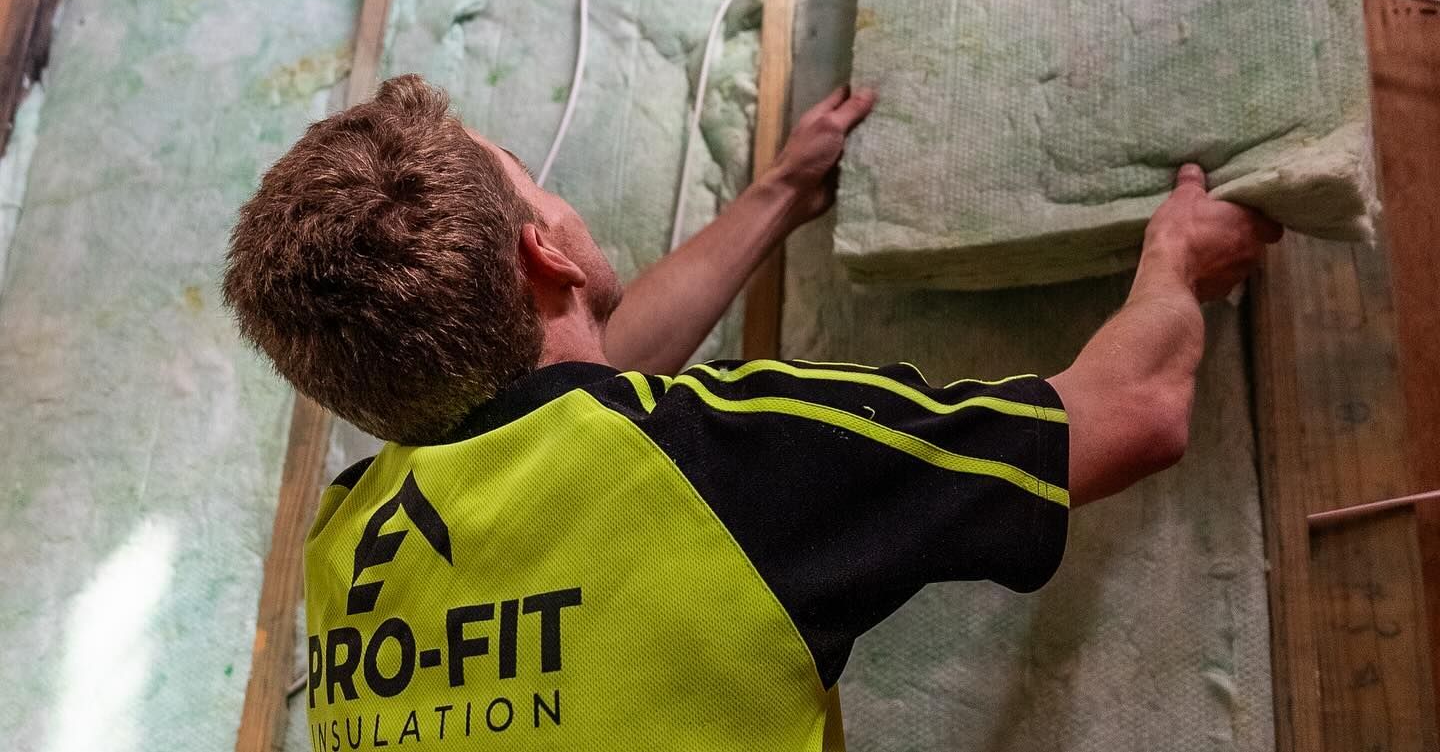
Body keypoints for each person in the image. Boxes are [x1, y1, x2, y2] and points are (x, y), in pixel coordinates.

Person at [223, 74, 1281, 751]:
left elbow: (578, 401)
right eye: (539, 188)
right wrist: (1175, 259)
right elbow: (1135, 409)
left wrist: (780, 192)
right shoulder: (729, 455)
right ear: (544, 251)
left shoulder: (346, 550)